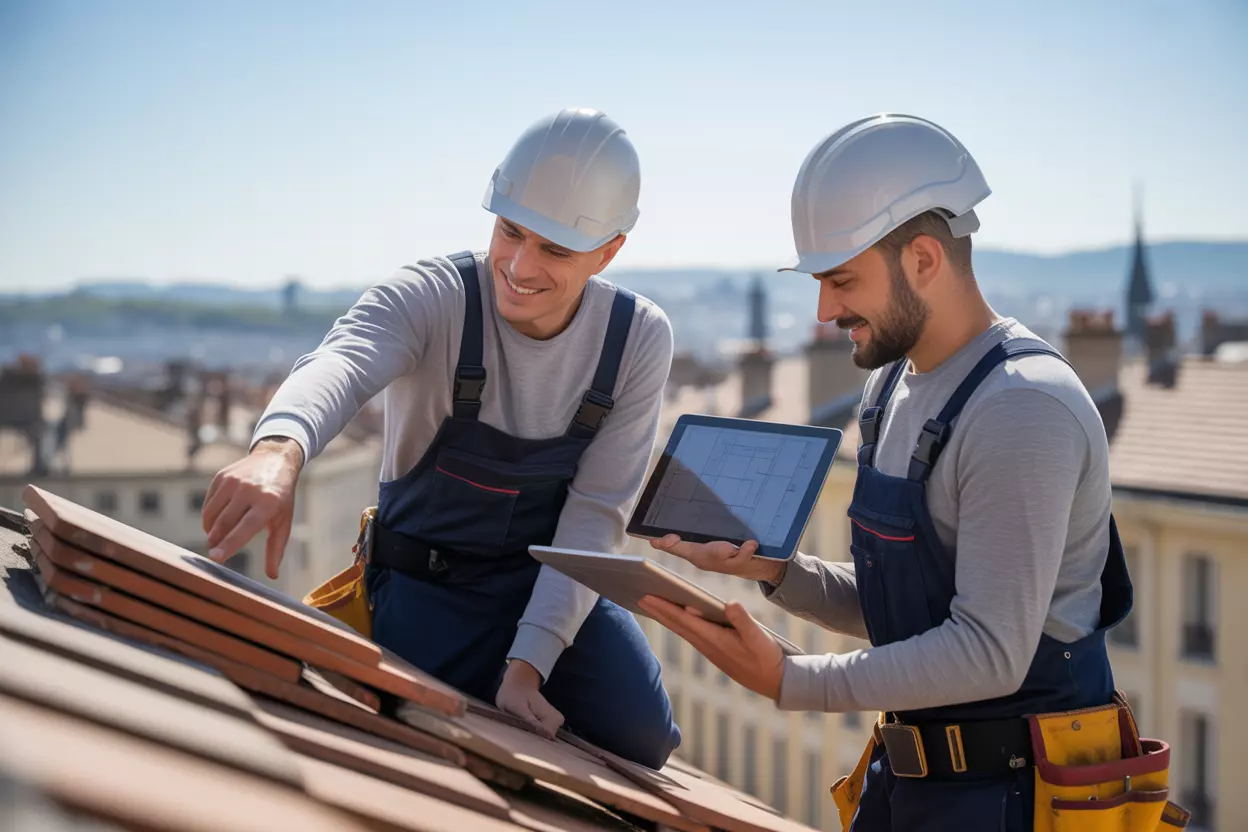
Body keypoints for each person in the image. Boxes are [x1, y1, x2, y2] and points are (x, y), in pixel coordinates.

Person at [639, 114, 1145, 829]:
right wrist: (776, 571)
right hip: (914, 784)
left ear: (924, 260)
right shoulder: (892, 387)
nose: (824, 309)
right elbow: (909, 612)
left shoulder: (1022, 407)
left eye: (842, 280)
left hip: (1019, 799)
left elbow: (990, 650)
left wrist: (788, 679)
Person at [201, 107, 681, 769]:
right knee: (423, 746)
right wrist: (278, 452)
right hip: (425, 589)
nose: (518, 265)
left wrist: (527, 665)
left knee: (642, 738)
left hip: (548, 585)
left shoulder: (636, 340)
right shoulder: (436, 296)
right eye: (510, 231)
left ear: (610, 251)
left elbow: (594, 520)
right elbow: (344, 359)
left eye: (555, 250)